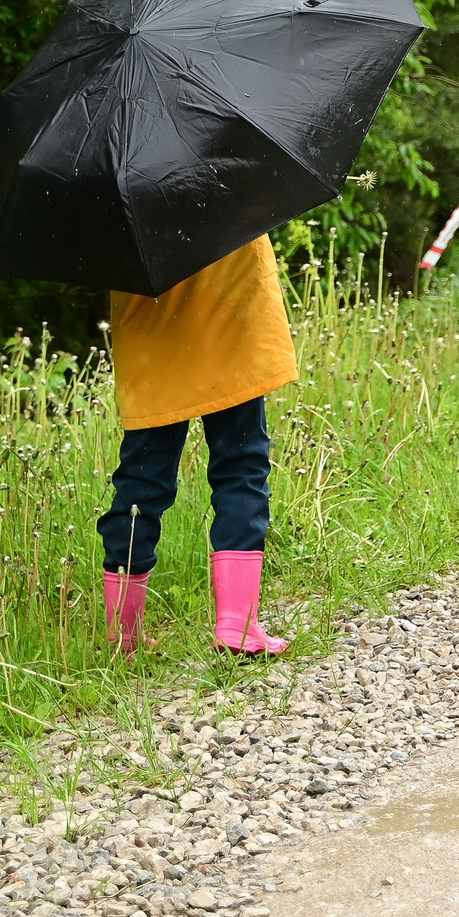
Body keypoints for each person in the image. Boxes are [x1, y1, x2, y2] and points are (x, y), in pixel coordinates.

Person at [100, 236, 298, 656]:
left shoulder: (119, 185)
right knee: (241, 466)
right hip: (231, 316)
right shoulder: (232, 171)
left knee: (140, 481)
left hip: (154, 336)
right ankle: (236, 625)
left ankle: (123, 635)